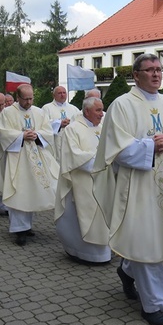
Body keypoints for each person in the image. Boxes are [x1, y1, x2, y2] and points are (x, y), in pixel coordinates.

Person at [92, 53, 163, 325]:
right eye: (150, 70)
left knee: (153, 237)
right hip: (135, 184)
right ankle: (154, 305)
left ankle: (127, 270)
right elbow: (116, 147)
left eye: (159, 69)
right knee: (147, 240)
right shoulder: (121, 105)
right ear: (136, 75)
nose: (156, 74)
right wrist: (149, 146)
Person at [0, 84, 59, 246]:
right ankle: (18, 229)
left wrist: (37, 135)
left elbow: (48, 132)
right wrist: (21, 136)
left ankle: (27, 226)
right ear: (18, 98)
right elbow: (2, 133)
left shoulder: (39, 112)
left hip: (36, 157)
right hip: (18, 158)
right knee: (19, 190)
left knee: (32, 191)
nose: (29, 102)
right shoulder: (8, 113)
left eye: (31, 98)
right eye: (26, 99)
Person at [54, 97, 111, 264]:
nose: (102, 114)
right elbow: (74, 155)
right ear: (87, 111)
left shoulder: (101, 128)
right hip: (81, 181)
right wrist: (102, 160)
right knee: (83, 216)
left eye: (102, 109)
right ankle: (83, 251)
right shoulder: (73, 129)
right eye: (98, 110)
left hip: (104, 180)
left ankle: (103, 250)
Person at [42, 86, 80, 157]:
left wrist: (70, 123)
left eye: (64, 93)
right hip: (55, 141)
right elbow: (44, 124)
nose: (62, 95)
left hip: (70, 140)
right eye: (59, 93)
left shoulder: (74, 109)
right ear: (54, 95)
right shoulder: (46, 108)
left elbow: (79, 123)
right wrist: (59, 124)